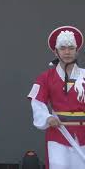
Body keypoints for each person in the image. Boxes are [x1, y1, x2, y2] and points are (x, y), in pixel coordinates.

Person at [28, 26, 85, 169]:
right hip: (58, 132)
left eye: (71, 48)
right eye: (63, 48)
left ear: (77, 50)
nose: (67, 52)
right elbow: (37, 102)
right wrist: (47, 118)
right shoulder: (45, 77)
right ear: (56, 51)